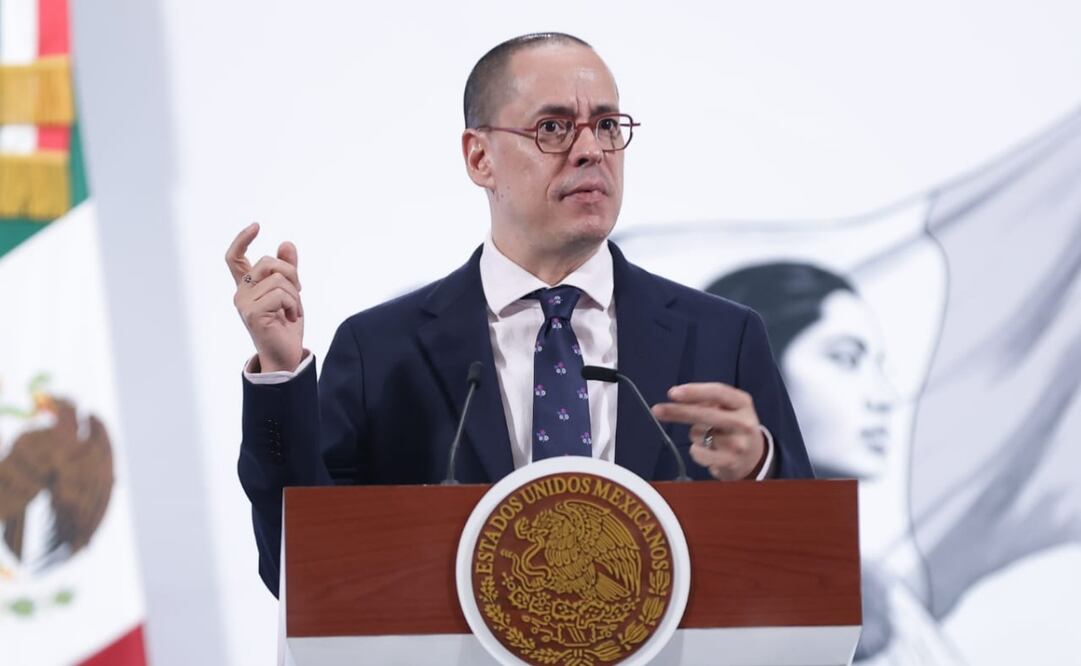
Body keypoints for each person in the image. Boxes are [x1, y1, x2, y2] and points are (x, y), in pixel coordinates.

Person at [227, 33, 814, 596]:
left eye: (608, 126)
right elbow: (298, 570)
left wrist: (760, 469)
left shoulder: (722, 335)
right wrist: (281, 374)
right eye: (554, 127)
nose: (591, 150)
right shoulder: (381, 350)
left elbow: (807, 565)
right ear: (479, 157)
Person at [708, 262, 965, 665]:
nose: (884, 396)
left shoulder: (879, 590)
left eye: (879, 366)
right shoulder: (682, 568)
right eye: (846, 359)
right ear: (757, 371)